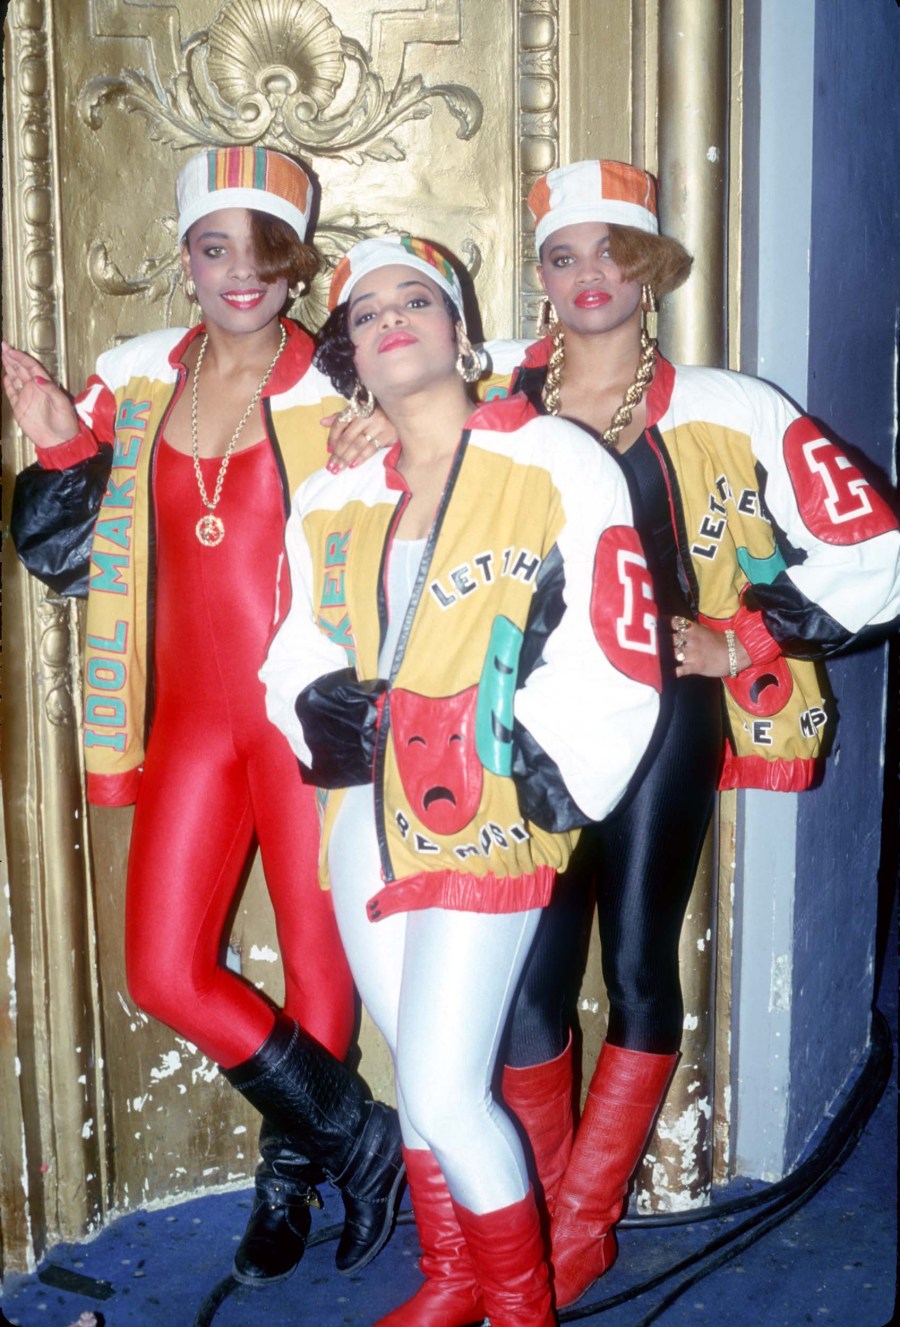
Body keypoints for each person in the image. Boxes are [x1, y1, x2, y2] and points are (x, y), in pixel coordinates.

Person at [497, 158, 900, 1308]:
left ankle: (581, 1228)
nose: (589, 274)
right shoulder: (488, 400)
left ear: (652, 272)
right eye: (564, 254)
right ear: (541, 276)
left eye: (612, 252)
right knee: (526, 985)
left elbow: (873, 547)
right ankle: (532, 1216)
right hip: (526, 724)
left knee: (636, 963)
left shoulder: (731, 405)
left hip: (661, 718)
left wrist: (744, 639)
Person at [1, 146, 405, 1288]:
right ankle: (356, 1133)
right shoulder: (135, 380)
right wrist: (58, 436)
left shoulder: (345, 384)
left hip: (303, 726)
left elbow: (475, 457)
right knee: (164, 971)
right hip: (188, 721)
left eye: (266, 252)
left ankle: (293, 1173)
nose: (241, 273)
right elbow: (67, 557)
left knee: (320, 975)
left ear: (296, 265)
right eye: (216, 247)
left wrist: (400, 438)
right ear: (184, 258)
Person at [260, 234, 662, 1325]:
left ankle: (520, 1310)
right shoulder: (335, 487)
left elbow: (616, 639)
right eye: (366, 313)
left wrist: (540, 763)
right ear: (350, 354)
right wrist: (320, 710)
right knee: (418, 1070)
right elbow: (295, 640)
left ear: (458, 329)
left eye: (415, 301)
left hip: (490, 804)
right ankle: (452, 1278)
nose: (391, 320)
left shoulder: (555, 459)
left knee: (445, 1088)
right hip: (365, 807)